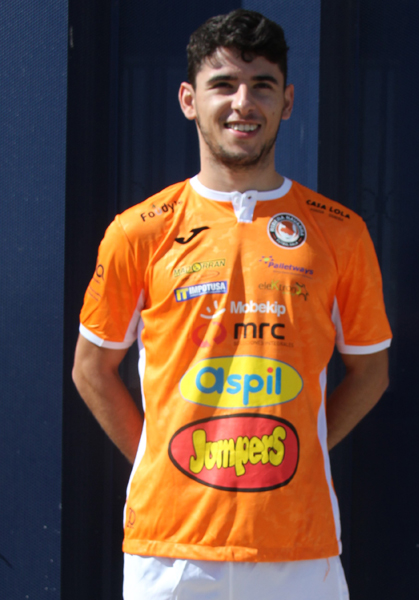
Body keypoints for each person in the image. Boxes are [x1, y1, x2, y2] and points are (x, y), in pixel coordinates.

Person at [72, 9, 391, 600]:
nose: (243, 102)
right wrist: (160, 457)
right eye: (223, 84)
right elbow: (91, 369)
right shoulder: (139, 231)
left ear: (287, 102)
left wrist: (304, 447)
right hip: (171, 551)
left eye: (262, 85)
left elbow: (371, 370)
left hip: (299, 546)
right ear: (188, 100)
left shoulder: (340, 233)